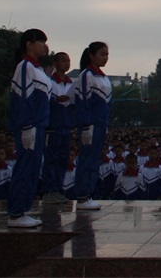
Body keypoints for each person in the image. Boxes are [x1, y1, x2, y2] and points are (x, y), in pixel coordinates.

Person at [6, 28, 51, 228]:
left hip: (39, 124)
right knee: (25, 167)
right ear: (29, 44)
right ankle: (15, 213)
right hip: (30, 125)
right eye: (40, 41)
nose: (45, 45)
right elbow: (23, 98)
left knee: (33, 168)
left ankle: (22, 209)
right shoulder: (25, 66)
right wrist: (26, 126)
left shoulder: (38, 69)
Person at [73, 42, 112, 210]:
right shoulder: (86, 75)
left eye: (107, 55)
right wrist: (86, 125)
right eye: (102, 54)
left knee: (95, 160)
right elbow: (83, 102)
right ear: (91, 55)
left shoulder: (104, 77)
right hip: (90, 125)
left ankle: (88, 193)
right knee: (86, 159)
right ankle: (82, 195)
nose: (105, 58)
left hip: (101, 124)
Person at [42, 51, 74, 204]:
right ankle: (49, 190)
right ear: (55, 64)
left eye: (68, 61)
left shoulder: (70, 83)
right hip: (53, 126)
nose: (66, 63)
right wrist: (56, 100)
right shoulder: (49, 82)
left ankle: (58, 189)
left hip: (66, 125)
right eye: (63, 60)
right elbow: (45, 100)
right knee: (51, 159)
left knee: (63, 159)